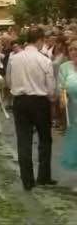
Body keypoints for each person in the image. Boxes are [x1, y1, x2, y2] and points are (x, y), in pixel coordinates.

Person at [8, 27, 56, 191]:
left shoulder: (15, 58)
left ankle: (27, 180)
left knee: (24, 140)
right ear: (40, 40)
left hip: (20, 100)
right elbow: (50, 86)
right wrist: (50, 98)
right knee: (44, 139)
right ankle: (43, 176)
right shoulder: (44, 60)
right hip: (39, 100)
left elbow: (9, 79)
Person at [58, 38, 77, 193]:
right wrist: (63, 97)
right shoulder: (65, 67)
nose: (73, 52)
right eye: (71, 49)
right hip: (73, 111)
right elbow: (61, 88)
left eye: (76, 50)